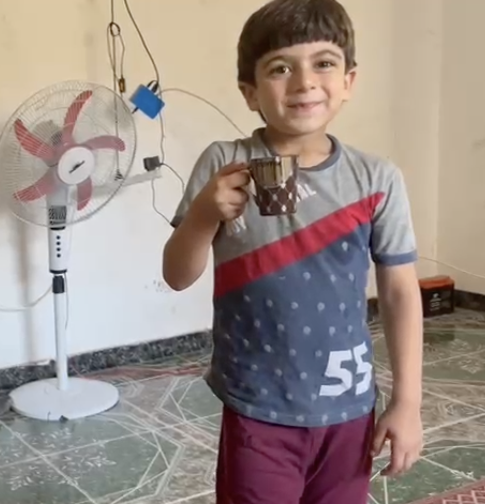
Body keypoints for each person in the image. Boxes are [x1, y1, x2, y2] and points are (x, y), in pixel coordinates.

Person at [162, 0, 423, 502]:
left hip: (349, 408)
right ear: (250, 92)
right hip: (258, 408)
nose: (304, 81)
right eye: (280, 68)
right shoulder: (224, 162)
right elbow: (176, 274)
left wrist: (407, 402)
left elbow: (399, 294)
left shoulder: (376, 179)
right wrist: (202, 216)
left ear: (348, 80)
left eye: (323, 63)